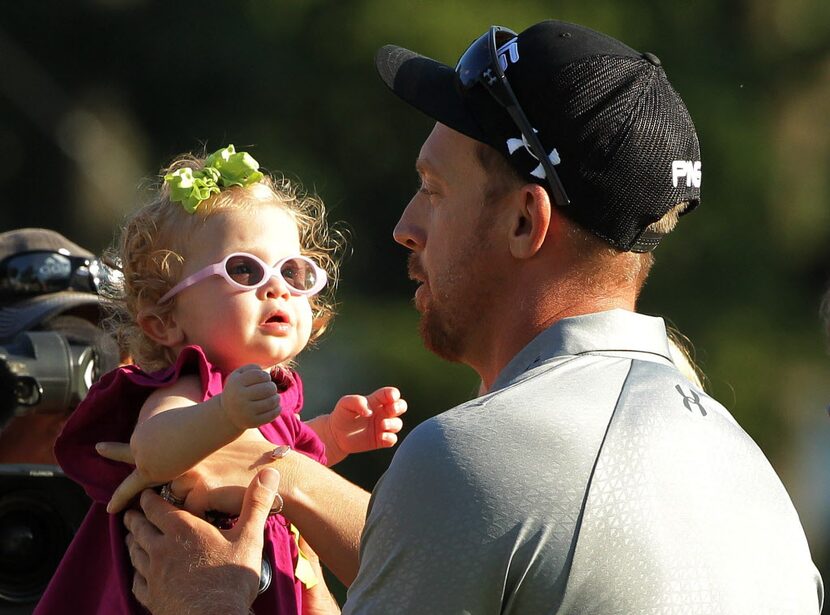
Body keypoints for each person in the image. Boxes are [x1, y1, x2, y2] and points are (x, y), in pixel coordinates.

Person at [105, 20, 825, 614]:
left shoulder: (472, 460)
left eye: (433, 189)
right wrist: (282, 472)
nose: (404, 226)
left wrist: (211, 602)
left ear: (524, 222)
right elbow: (487, 545)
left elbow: (486, 513)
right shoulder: (754, 478)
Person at [37, 145, 407, 615]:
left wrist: (331, 435)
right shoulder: (191, 385)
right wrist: (223, 414)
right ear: (164, 322)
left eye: (293, 272)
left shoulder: (263, 395)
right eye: (244, 270)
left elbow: (270, 461)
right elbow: (152, 450)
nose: (277, 287)